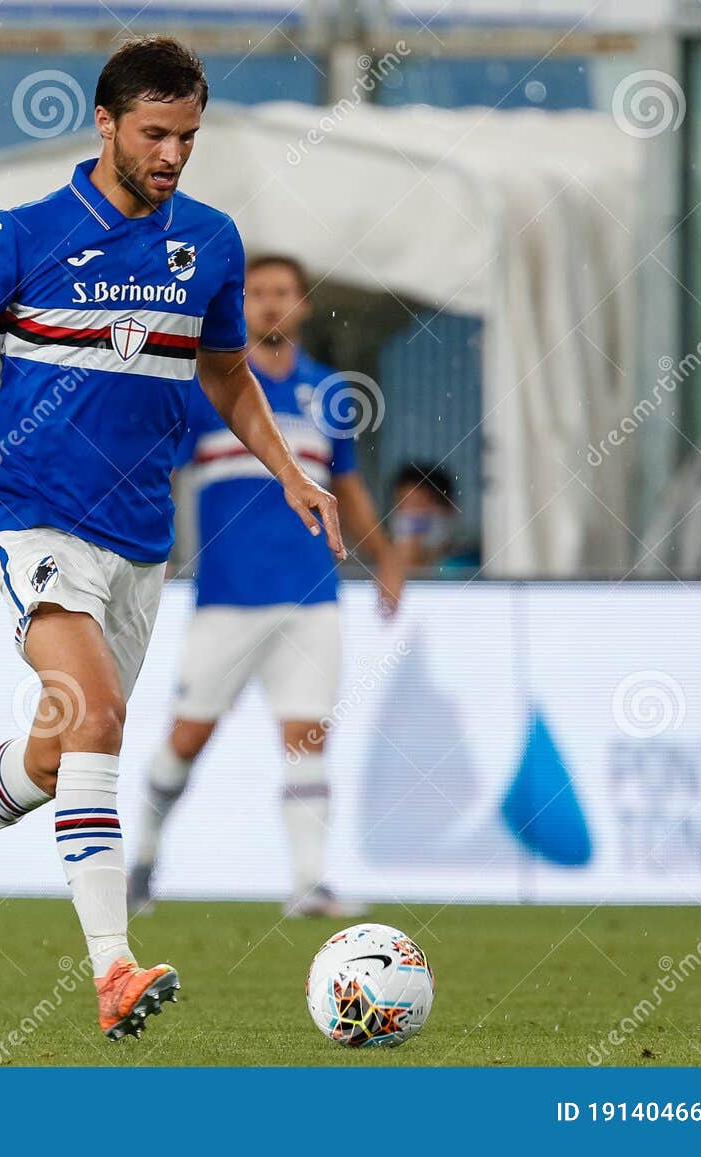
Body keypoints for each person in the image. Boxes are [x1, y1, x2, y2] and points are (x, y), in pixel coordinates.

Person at [0, 36, 343, 1041]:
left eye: (187, 134)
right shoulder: (21, 231)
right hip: (32, 511)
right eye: (154, 134)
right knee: (96, 714)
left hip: (140, 539)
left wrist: (286, 468)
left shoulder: (211, 242)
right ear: (105, 124)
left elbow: (225, 373)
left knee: (57, 756)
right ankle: (113, 969)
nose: (173, 152)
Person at [128, 253, 403, 918]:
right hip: (226, 599)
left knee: (308, 736)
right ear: (240, 305)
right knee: (186, 739)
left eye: (282, 292)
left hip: (311, 597)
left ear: (303, 305)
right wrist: (152, 548)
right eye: (257, 294)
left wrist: (385, 559)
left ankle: (309, 883)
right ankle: (141, 859)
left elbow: (348, 488)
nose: (270, 305)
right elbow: (161, 474)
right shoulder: (210, 389)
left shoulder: (326, 391)